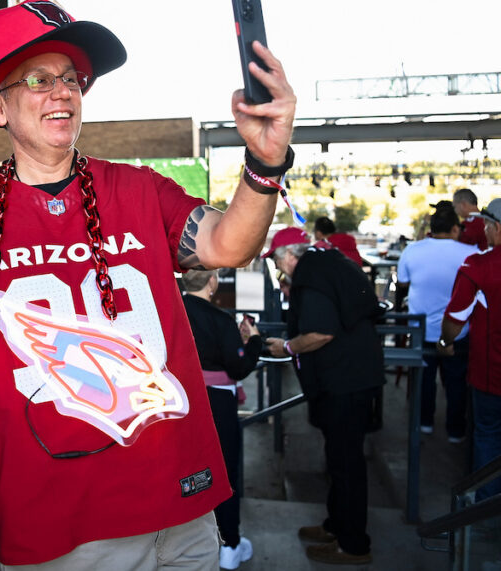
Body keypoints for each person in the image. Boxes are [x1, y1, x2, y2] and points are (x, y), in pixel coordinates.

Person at [0, 0, 297, 570]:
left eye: (71, 78)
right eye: (39, 79)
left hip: (182, 507)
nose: (62, 92)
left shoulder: (139, 190)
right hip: (58, 528)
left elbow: (226, 246)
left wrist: (264, 164)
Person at [264, 228, 384, 565]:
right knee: (338, 460)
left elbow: (320, 332)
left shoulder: (310, 277)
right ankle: (337, 525)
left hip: (346, 382)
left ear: (289, 254)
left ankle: (354, 545)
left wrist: (287, 346)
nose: (279, 270)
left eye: (276, 261)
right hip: (353, 377)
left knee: (346, 464)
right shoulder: (326, 263)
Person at [180, 269, 262, 570]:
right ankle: (229, 543)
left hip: (181, 398)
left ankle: (188, 538)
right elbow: (238, 366)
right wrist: (253, 340)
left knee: (189, 467)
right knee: (225, 471)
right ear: (212, 281)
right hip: (216, 400)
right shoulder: (221, 319)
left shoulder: (173, 311)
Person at [396, 203, 477, 441]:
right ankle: (455, 430)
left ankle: (424, 423)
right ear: (454, 228)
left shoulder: (412, 251)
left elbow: (402, 283)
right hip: (457, 331)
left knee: (424, 379)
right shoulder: (469, 253)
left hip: (421, 330)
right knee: (456, 383)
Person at [441, 197, 501, 501]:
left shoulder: (479, 265)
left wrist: (445, 343)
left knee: (488, 437)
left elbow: (454, 319)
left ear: (496, 229)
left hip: (491, 374)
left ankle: (487, 509)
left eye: (488, 225)